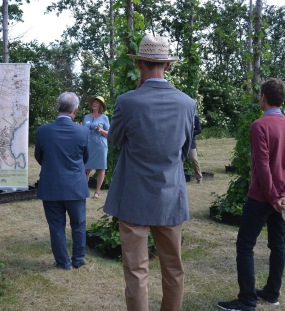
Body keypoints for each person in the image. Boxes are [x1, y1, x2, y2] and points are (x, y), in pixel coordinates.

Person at [103, 35, 196, 311]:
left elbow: (115, 140)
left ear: (140, 64)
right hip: (170, 195)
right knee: (173, 268)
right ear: (167, 65)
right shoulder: (187, 103)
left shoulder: (127, 101)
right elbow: (185, 149)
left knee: (136, 270)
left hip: (133, 197)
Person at [217, 78, 285, 311]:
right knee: (278, 245)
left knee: (245, 245)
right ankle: (271, 293)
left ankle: (247, 299)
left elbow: (262, 165)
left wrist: (271, 197)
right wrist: (284, 195)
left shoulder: (260, 126)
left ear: (264, 98)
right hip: (281, 198)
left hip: (261, 196)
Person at [35, 92, 90, 270]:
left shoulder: (43, 131)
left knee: (56, 226)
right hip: (75, 186)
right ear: (75, 110)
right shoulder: (83, 131)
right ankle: (78, 259)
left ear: (57, 107)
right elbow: (86, 157)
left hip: (51, 185)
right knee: (79, 224)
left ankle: (63, 262)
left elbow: (39, 157)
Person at [82, 95, 110, 199]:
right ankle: (84, 190)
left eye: (97, 102)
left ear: (100, 106)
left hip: (100, 146)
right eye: (93, 102)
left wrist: (101, 130)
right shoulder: (86, 117)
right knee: (86, 168)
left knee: (101, 168)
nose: (94, 103)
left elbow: (109, 133)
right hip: (88, 145)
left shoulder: (104, 118)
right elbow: (84, 130)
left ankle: (97, 192)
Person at [188, 114, 203, 183]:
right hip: (180, 141)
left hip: (191, 142)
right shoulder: (181, 115)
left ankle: (199, 178)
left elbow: (199, 130)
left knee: (194, 159)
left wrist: (190, 133)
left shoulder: (195, 118)